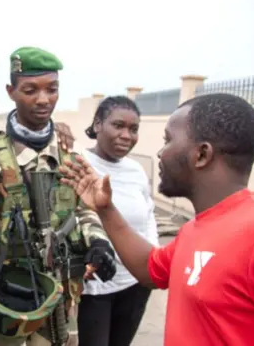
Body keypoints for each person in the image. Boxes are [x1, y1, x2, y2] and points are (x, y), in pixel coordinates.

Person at [60, 93, 254, 346]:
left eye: (168, 140)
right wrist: (105, 208)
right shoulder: (192, 230)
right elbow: (148, 269)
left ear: (201, 155)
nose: (160, 152)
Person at [0, 46, 118, 346]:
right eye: (30, 90)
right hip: (8, 294)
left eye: (52, 90)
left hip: (61, 292)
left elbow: (83, 212)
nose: (43, 99)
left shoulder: (71, 154)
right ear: (11, 91)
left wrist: (98, 241)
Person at [77, 96, 158, 346]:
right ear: (98, 124)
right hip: (94, 288)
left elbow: (149, 216)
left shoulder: (136, 171)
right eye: (118, 125)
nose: (126, 135)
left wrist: (154, 261)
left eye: (133, 129)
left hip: (135, 283)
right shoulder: (78, 162)